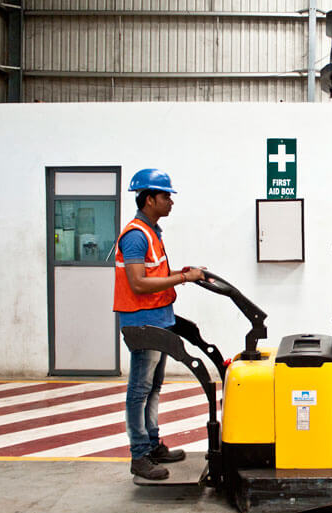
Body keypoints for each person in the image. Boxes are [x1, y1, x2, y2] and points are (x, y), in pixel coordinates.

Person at [113, 168, 205, 480]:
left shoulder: (153, 233)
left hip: (159, 320)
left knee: (153, 387)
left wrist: (183, 273)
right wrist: (183, 277)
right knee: (139, 389)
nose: (170, 202)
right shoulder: (137, 235)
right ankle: (139, 454)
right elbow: (138, 283)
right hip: (144, 323)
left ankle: (152, 444)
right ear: (149, 199)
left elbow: (153, 276)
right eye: (166, 196)